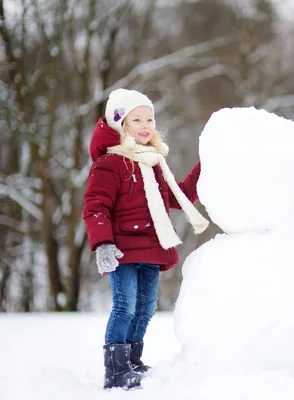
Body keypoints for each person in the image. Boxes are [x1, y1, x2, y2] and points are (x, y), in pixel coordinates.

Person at [83, 88, 209, 389]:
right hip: (122, 249)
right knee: (124, 306)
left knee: (146, 307)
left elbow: (180, 196)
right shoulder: (110, 164)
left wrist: (206, 164)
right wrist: (103, 243)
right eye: (136, 120)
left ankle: (131, 361)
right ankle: (115, 371)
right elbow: (95, 206)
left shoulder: (153, 162)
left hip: (152, 247)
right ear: (120, 124)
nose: (145, 126)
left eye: (149, 119)